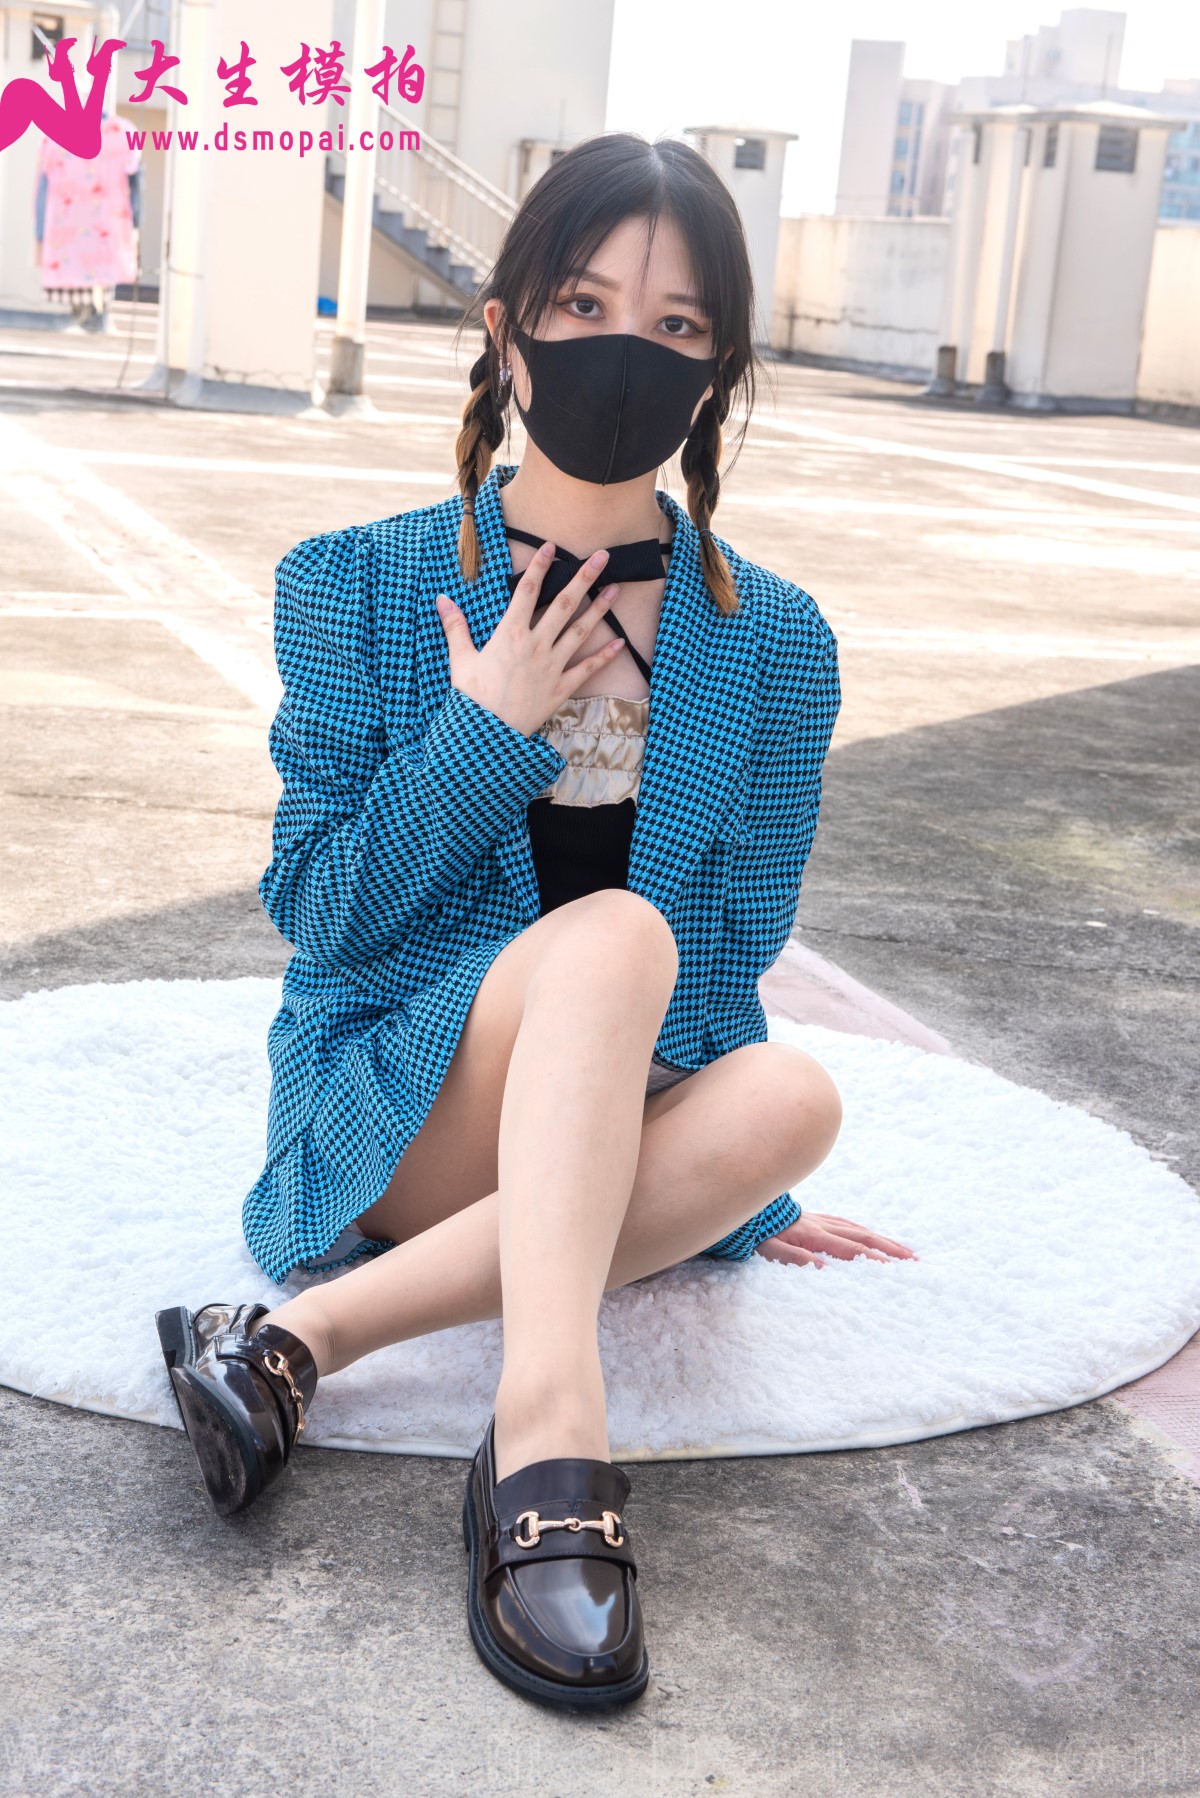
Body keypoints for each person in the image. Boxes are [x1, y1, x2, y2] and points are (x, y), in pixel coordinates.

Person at [154, 131, 916, 1712]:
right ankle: (551, 1431)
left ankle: (291, 1343)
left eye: (677, 323)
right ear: (505, 333)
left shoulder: (776, 640)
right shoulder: (355, 584)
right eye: (582, 304)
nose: (626, 348)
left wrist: (735, 1185)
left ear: (717, 373)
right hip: (403, 1096)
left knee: (792, 1094)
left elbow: (735, 954)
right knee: (618, 935)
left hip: (602, 1096)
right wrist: (485, 730)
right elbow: (326, 914)